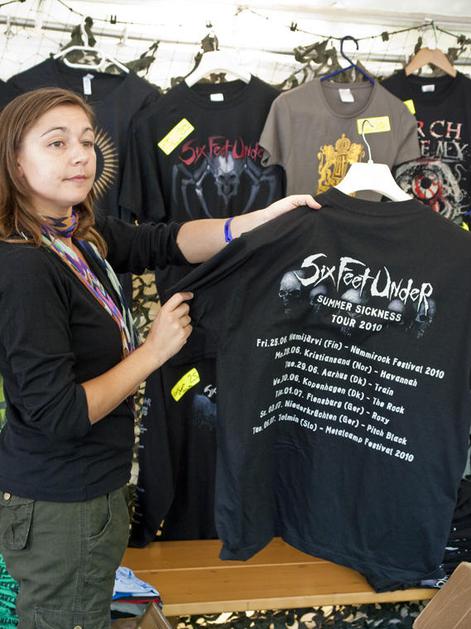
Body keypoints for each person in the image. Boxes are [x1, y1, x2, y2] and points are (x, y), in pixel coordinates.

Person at [0, 87, 318, 628]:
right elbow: (59, 414)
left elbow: (163, 242)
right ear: (14, 161)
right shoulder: (26, 266)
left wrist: (257, 221)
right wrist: (155, 351)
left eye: (86, 141)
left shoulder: (79, 235)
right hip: (61, 503)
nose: (80, 156)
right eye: (56, 143)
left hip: (90, 491)